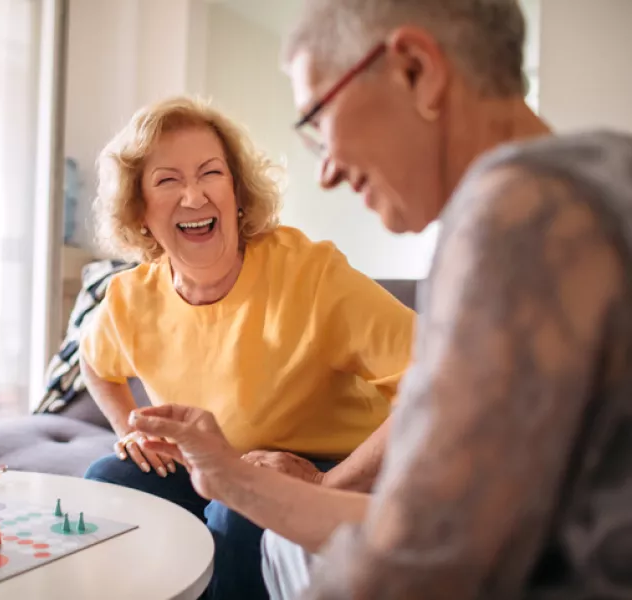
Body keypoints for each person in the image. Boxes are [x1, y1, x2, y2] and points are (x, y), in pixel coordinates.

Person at [127, 0, 632, 598]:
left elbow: (420, 562)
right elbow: (439, 525)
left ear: (416, 70)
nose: (328, 171)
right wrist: (232, 478)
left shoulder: (518, 208)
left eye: (320, 114)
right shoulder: (607, 168)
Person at [80, 97, 416, 598]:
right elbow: (94, 363)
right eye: (167, 180)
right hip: (213, 462)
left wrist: (329, 487)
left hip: (328, 462)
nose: (193, 197)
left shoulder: (311, 274)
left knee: (236, 508)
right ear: (140, 212)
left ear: (236, 191)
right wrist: (131, 429)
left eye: (210, 173)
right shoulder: (130, 298)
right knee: (109, 478)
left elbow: (437, 380)